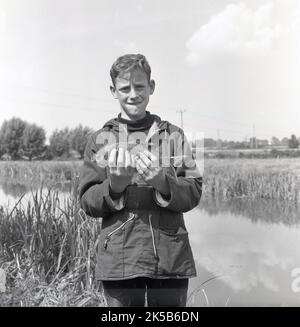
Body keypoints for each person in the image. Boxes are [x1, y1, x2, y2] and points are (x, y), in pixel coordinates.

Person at [78, 54, 202, 307]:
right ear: (114, 91)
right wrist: (114, 186)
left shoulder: (175, 136)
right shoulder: (99, 139)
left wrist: (162, 182)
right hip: (119, 260)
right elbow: (87, 202)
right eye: (125, 88)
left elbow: (194, 192)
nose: (133, 94)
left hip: (170, 258)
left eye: (140, 86)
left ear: (152, 87)